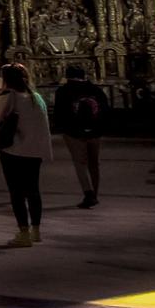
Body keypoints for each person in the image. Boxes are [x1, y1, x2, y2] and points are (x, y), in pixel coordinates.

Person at [0, 62, 54, 247]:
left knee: (16, 192)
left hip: (15, 150)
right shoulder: (35, 97)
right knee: (33, 190)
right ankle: (36, 230)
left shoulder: (9, 96)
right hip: (35, 150)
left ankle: (23, 232)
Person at [52, 64, 108, 207]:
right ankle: (95, 193)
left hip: (73, 133)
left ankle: (88, 193)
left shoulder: (63, 91)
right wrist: (99, 129)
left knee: (80, 163)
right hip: (95, 132)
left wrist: (62, 128)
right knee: (94, 164)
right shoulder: (96, 90)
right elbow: (105, 111)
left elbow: (59, 113)